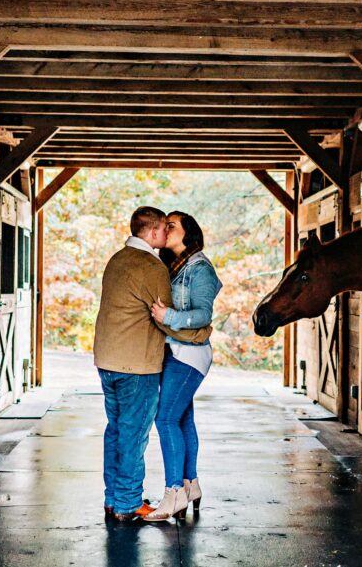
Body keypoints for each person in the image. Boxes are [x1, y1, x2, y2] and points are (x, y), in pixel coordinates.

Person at [93, 206, 213, 522]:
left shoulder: (117, 259)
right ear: (153, 231)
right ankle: (129, 503)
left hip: (107, 360)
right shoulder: (152, 267)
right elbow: (164, 320)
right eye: (165, 227)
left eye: (174, 227)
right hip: (137, 365)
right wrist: (202, 332)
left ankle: (113, 498)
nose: (167, 232)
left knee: (117, 431)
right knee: (135, 433)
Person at [143, 212, 223, 522]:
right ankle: (192, 485)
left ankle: (174, 492)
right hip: (175, 351)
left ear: (188, 233)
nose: (165, 228)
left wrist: (170, 318)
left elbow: (203, 313)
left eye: (172, 225)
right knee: (183, 418)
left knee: (165, 420)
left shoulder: (199, 268)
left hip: (189, 355)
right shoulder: (173, 266)